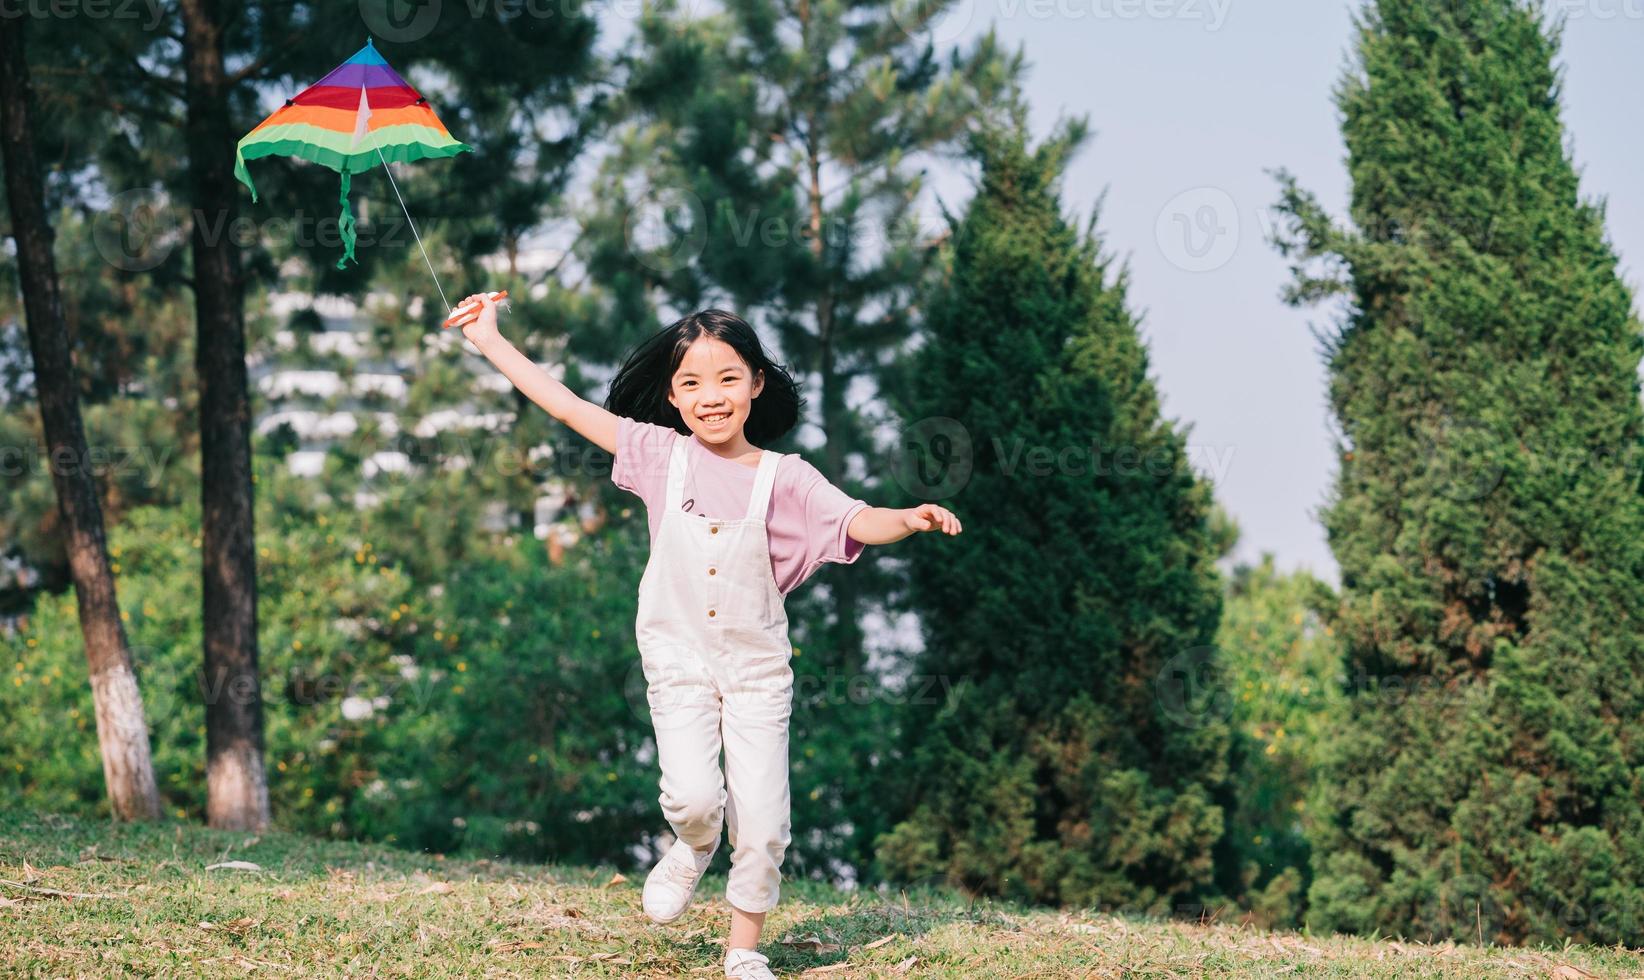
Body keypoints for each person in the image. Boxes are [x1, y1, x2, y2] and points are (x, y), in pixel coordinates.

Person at [454, 294, 962, 979]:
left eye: (727, 378)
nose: (710, 396)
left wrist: (910, 517)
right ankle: (692, 846)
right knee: (693, 798)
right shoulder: (660, 455)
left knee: (765, 823)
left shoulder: (789, 477)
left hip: (756, 671)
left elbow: (858, 520)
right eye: (691, 382)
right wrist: (489, 338)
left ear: (756, 383)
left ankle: (743, 949)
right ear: (672, 395)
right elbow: (568, 406)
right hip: (679, 659)